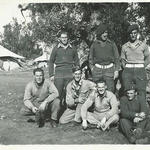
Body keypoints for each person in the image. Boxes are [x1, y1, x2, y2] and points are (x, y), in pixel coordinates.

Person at [49, 30, 79, 107]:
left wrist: (78, 73)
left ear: (68, 38)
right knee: (57, 94)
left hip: (69, 73)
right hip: (59, 74)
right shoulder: (56, 48)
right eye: (62, 38)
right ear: (60, 39)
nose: (64, 39)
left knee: (70, 93)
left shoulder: (73, 48)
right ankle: (56, 113)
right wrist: (51, 75)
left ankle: (68, 110)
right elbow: (51, 61)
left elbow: (77, 61)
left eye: (65, 37)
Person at [121, 24, 150, 101]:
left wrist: (142, 66)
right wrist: (126, 68)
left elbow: (148, 58)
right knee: (128, 91)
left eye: (135, 33)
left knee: (141, 92)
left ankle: (142, 111)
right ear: (129, 34)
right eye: (131, 33)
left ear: (137, 33)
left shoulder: (143, 45)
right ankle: (129, 111)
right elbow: (123, 60)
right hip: (128, 71)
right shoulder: (125, 46)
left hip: (140, 70)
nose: (133, 35)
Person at [89, 24, 120, 93]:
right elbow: (90, 58)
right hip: (97, 70)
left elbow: (117, 58)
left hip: (109, 70)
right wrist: (92, 68)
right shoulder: (94, 44)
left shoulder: (112, 44)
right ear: (99, 34)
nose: (105, 34)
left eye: (106, 32)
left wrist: (116, 70)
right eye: (103, 33)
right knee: (96, 91)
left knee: (110, 90)